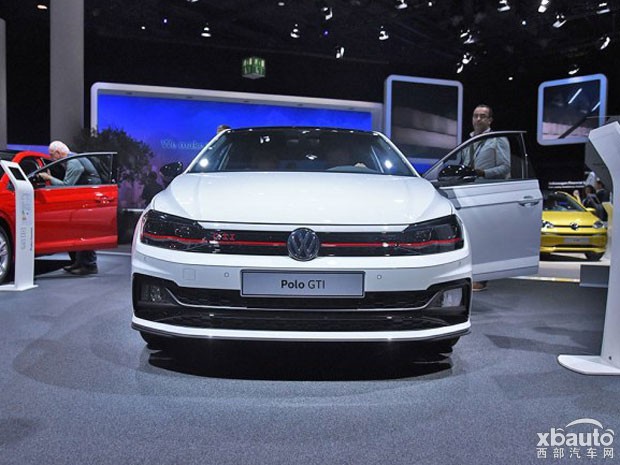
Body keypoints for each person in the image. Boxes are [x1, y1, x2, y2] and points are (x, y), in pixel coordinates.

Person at [38, 140, 101, 276]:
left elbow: (66, 186)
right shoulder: (74, 158)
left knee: (84, 231)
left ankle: (89, 265)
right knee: (79, 231)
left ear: (58, 153)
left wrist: (48, 177)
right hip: (86, 199)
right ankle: (79, 262)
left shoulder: (73, 162)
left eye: (52, 155)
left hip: (87, 201)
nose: (51, 158)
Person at [462, 104, 511, 179]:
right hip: (468, 184)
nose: (478, 119)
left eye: (482, 116)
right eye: (475, 116)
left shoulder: (498, 139)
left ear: (490, 120)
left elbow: (506, 167)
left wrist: (484, 173)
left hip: (488, 185)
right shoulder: (468, 142)